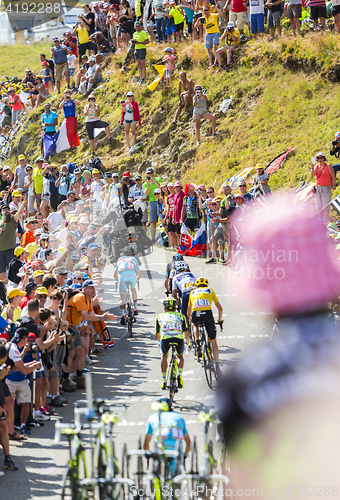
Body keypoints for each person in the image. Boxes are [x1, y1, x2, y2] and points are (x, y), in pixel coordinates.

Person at [144, 397, 191, 477]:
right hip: (176, 448)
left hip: (160, 446)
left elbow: (145, 444)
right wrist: (185, 455)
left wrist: (148, 455)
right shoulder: (179, 417)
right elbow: (188, 442)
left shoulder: (152, 417)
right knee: (175, 474)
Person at [187, 277, 223, 378]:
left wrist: (190, 320)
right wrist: (220, 320)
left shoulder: (192, 292)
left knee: (195, 325)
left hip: (196, 313)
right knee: (214, 342)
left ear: (197, 285)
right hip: (207, 314)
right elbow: (220, 309)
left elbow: (188, 312)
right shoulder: (210, 290)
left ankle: (197, 342)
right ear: (206, 285)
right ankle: (217, 367)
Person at [155, 298, 189, 390]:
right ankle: (180, 375)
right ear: (175, 308)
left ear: (164, 308)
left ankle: (163, 381)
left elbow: (157, 334)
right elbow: (186, 333)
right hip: (178, 338)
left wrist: (159, 342)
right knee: (180, 357)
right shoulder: (181, 316)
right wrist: (188, 344)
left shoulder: (159, 316)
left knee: (164, 356)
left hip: (166, 339)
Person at [114, 247, 142, 324]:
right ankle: (135, 307)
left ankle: (123, 315)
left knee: (122, 297)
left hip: (122, 278)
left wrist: (118, 281)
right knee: (133, 289)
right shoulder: (133, 259)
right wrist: (135, 281)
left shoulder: (119, 259)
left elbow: (115, 274)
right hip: (132, 277)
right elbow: (139, 274)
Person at [0, 199, 26, 281]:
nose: (6, 211)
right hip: (0, 251)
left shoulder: (13, 220)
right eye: (4, 209)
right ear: (1, 212)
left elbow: (19, 211)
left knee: (12, 270)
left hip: (10, 249)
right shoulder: (0, 222)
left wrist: (24, 201)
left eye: (8, 209)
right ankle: (3, 289)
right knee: (1, 271)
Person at [311, 151, 336, 221]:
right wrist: (312, 167)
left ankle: (326, 218)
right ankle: (321, 219)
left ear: (324, 158)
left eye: (321, 157)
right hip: (318, 187)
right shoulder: (316, 166)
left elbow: (333, 176)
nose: (319, 159)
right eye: (318, 158)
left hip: (326, 187)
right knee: (319, 205)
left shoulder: (328, 166)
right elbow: (313, 175)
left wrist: (333, 185)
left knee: (325, 204)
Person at [200, 4, 223, 68]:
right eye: (204, 10)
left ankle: (216, 62)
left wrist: (215, 7)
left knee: (215, 46)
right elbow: (195, 26)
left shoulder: (213, 15)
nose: (205, 11)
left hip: (215, 33)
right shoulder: (203, 18)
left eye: (207, 10)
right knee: (209, 50)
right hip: (208, 35)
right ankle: (210, 65)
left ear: (209, 10)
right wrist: (198, 20)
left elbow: (221, 14)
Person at [143, 167, 162, 242]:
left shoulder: (158, 179)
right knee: (153, 222)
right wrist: (148, 185)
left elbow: (162, 188)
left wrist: (154, 181)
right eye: (148, 173)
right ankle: (153, 239)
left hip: (160, 201)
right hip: (152, 202)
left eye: (150, 173)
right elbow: (146, 194)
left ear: (153, 173)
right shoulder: (145, 183)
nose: (149, 174)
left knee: (164, 220)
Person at [132, 21, 150, 85]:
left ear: (140, 26)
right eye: (136, 26)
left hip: (142, 49)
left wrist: (139, 42)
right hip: (136, 49)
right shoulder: (134, 34)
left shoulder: (143, 33)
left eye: (138, 26)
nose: (137, 27)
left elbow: (147, 41)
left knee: (142, 64)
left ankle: (143, 77)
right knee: (138, 64)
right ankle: (140, 77)